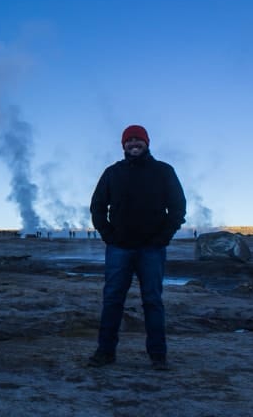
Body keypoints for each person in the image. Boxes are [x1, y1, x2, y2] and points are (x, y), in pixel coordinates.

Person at [88, 124, 186, 371]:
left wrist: (162, 238)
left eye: (138, 140)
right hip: (119, 247)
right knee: (112, 300)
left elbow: (178, 208)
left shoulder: (164, 171)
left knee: (152, 301)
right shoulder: (112, 173)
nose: (133, 143)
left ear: (147, 143)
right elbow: (97, 207)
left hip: (151, 249)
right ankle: (105, 352)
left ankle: (158, 356)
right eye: (129, 140)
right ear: (123, 145)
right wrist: (108, 235)